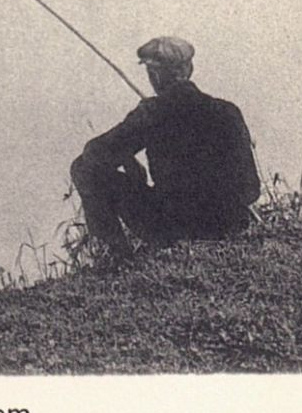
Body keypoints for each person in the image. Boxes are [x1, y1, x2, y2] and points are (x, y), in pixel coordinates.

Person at [68, 36, 260, 261]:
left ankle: (116, 260)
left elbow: (94, 154)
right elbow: (251, 190)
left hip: (174, 229)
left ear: (154, 75)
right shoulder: (228, 111)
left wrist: (128, 161)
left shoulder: (151, 112)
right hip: (230, 224)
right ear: (190, 68)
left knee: (82, 168)